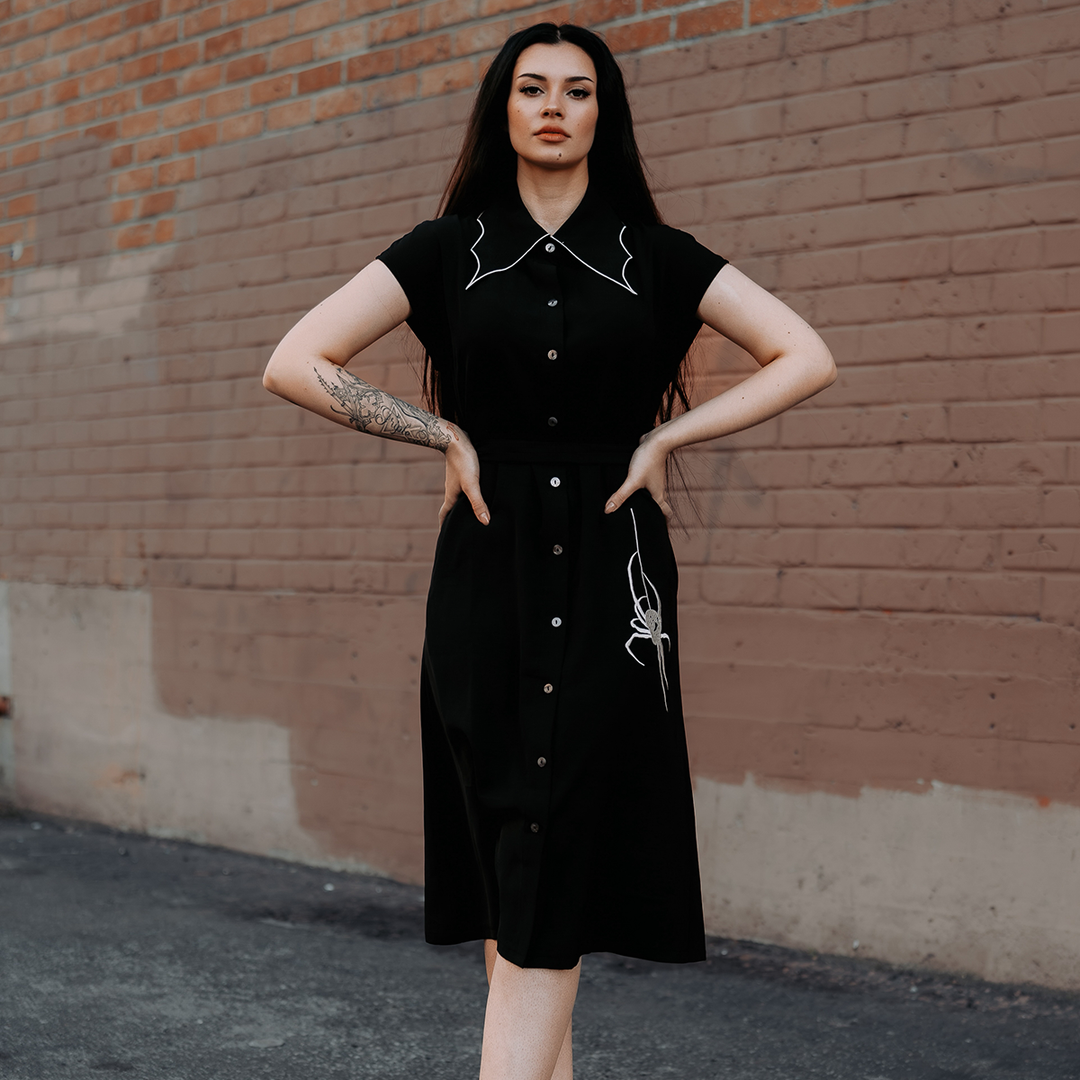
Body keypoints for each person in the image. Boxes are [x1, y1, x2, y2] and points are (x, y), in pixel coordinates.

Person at [263, 21, 836, 1080]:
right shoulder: (445, 251)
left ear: (603, 113)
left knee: (555, 835)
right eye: (532, 88)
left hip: (615, 576)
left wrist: (669, 435)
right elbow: (295, 361)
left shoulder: (655, 258)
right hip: (487, 567)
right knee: (514, 850)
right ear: (505, 108)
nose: (555, 106)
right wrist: (439, 431)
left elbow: (805, 353)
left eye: (578, 90)